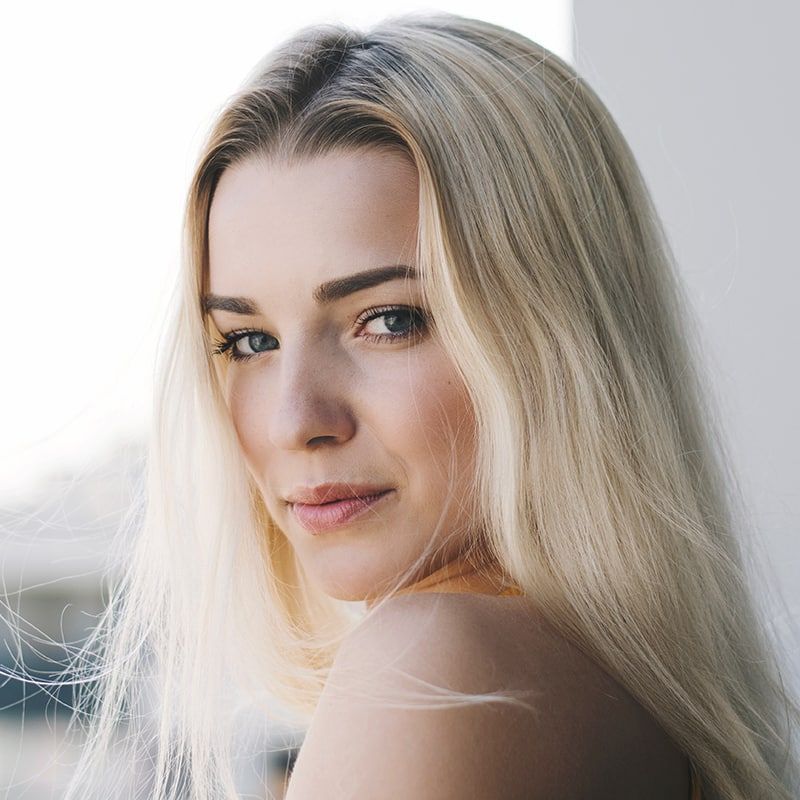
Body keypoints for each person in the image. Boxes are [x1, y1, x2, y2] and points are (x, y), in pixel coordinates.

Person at [62, 11, 800, 799]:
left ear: (557, 340)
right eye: (247, 341)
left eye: (389, 320)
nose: (294, 421)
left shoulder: (435, 671)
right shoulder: (621, 689)